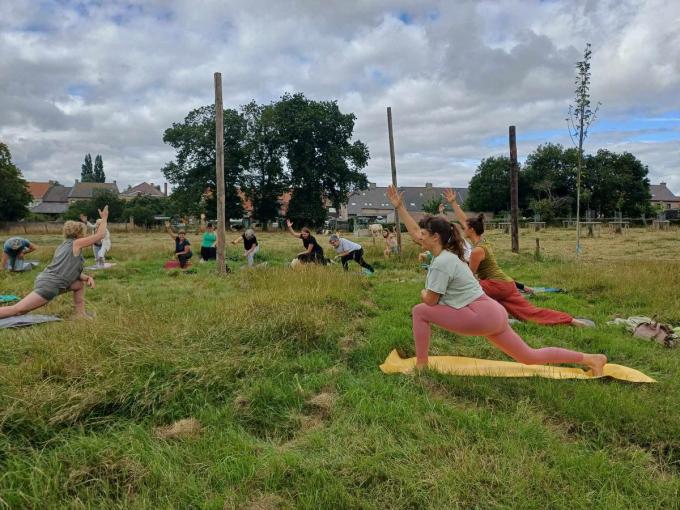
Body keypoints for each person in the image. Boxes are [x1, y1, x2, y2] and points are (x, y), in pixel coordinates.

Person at [385, 185, 606, 374]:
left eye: (424, 234)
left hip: (481, 315)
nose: (418, 237)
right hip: (493, 312)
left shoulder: (442, 262)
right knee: (529, 356)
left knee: (420, 311)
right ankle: (590, 358)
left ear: (435, 238)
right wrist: (400, 208)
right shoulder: (447, 254)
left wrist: (423, 293)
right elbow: (415, 232)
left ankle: (421, 367)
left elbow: (430, 301)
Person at [443, 189, 590, 327]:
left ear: (472, 230)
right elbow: (465, 220)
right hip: (506, 284)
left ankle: (468, 318)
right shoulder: (483, 241)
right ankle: (572, 321)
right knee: (529, 314)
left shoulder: (478, 251)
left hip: (497, 285)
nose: (463, 229)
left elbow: (470, 277)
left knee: (465, 289)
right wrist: (453, 203)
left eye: (465, 228)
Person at [0, 207, 109, 320]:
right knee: (17, 310)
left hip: (53, 282)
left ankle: (80, 315)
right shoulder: (76, 243)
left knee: (79, 285)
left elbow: (69, 269)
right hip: (50, 285)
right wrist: (104, 218)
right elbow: (100, 235)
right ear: (79, 234)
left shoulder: (64, 246)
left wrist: (86, 278)